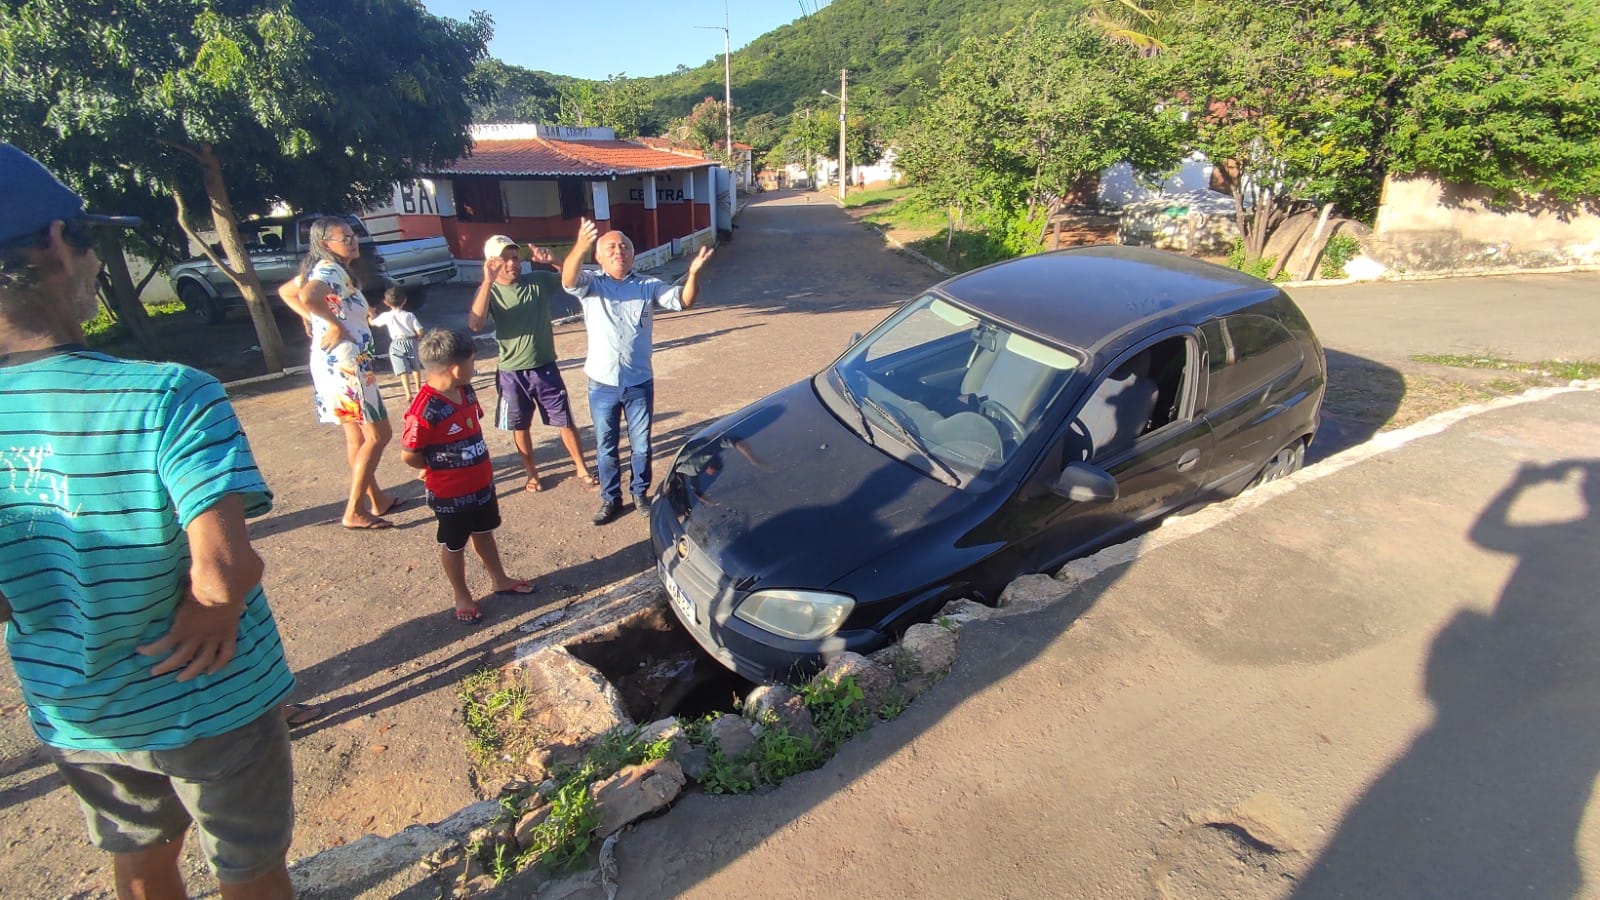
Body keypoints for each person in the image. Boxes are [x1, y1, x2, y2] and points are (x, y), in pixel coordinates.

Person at [0, 143, 296, 899]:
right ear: (58, 245)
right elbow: (224, 567)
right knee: (249, 868)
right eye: (89, 237)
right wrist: (212, 607)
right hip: (210, 697)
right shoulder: (169, 396)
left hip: (81, 711)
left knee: (139, 862)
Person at [561, 219, 714, 525]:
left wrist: (693, 274)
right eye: (611, 247)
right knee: (606, 446)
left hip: (639, 383)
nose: (619, 251)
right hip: (602, 384)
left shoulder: (648, 286)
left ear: (633, 254)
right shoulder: (591, 285)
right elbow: (567, 279)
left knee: (641, 444)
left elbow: (683, 301)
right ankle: (610, 499)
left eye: (625, 246)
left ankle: (639, 493)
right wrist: (580, 244)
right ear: (599, 257)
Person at [400, 329, 536, 623]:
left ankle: (499, 579)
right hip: (450, 495)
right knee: (454, 544)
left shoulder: (465, 390)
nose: (475, 367)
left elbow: (471, 425)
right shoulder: (424, 408)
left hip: (481, 485)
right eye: (472, 362)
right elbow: (409, 453)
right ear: (454, 367)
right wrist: (431, 467)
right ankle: (462, 595)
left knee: (484, 532)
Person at [277, 216, 401, 529]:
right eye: (343, 237)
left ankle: (376, 499)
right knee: (378, 434)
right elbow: (307, 296)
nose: (352, 240)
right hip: (349, 365)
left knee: (356, 436)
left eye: (352, 235)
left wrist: (315, 318)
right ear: (324, 244)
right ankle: (355, 509)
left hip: (333, 363)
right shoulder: (329, 270)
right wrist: (331, 323)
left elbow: (287, 293)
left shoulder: (321, 269)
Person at [467, 235, 597, 493]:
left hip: (545, 367)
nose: (512, 264)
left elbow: (571, 280)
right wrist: (486, 282)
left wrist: (557, 261)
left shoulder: (537, 281)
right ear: (491, 262)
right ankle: (531, 472)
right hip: (511, 373)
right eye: (504, 259)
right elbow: (475, 324)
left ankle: (581, 466)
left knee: (565, 420)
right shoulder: (489, 292)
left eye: (515, 258)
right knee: (520, 425)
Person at [371, 284, 424, 402]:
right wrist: (418, 338)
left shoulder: (386, 316)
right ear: (404, 300)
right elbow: (420, 330)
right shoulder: (409, 315)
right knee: (415, 366)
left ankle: (408, 393)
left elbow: (373, 322)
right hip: (410, 341)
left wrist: (370, 314)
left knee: (402, 370)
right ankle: (418, 388)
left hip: (396, 343)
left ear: (386, 302)